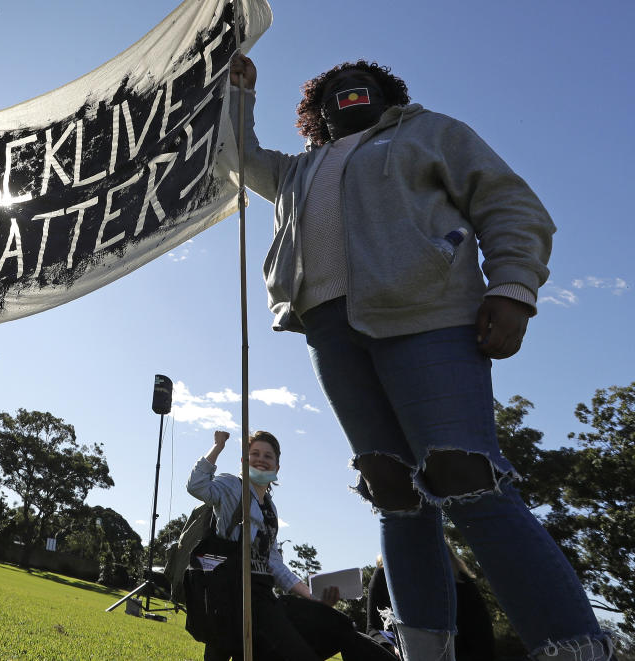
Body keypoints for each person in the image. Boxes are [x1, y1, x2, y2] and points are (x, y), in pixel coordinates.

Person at [227, 52, 615, 661]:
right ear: (315, 113)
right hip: (330, 333)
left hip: (427, 315)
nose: (349, 90)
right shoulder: (298, 170)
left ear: (389, 96)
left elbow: (508, 201)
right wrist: (239, 95)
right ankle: (426, 651)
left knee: (466, 474)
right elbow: (237, 158)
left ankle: (574, 647)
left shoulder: (432, 132)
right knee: (392, 490)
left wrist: (513, 285)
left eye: (364, 84)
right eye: (333, 89)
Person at [187, 429, 397, 661]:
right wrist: (217, 447)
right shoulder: (232, 486)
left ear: (277, 468)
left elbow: (275, 564)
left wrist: (311, 595)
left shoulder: (270, 508)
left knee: (337, 625)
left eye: (268, 456)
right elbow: (196, 486)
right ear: (244, 461)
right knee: (222, 648)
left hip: (262, 598)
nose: (261, 459)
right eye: (254, 453)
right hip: (228, 594)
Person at [367, 548, 496, 661]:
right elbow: (373, 629)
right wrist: (391, 647)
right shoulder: (383, 576)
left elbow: (483, 644)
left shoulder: (460, 582)